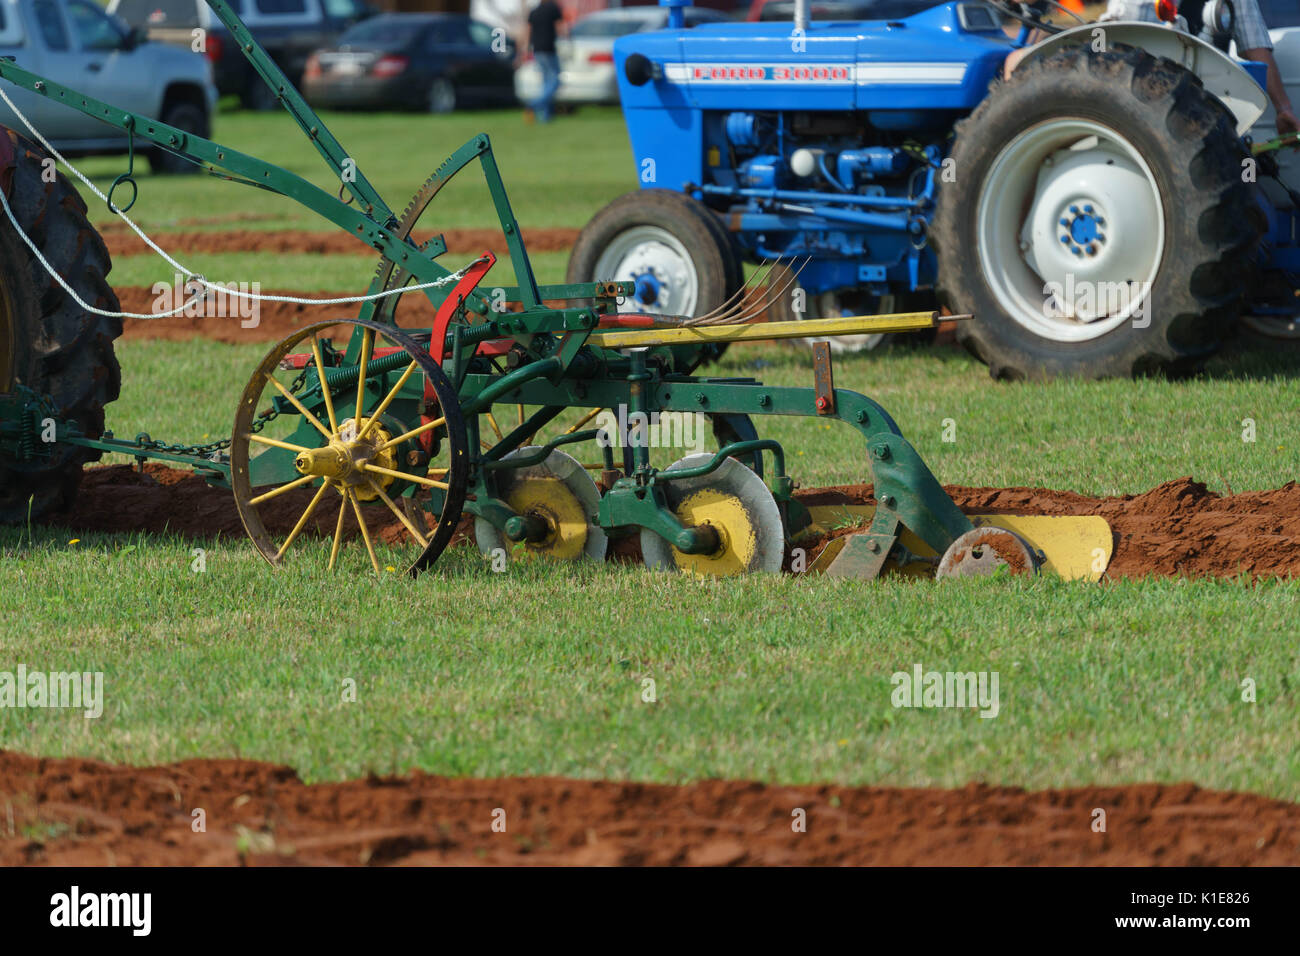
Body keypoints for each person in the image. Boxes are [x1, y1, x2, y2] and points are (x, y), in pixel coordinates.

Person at [1100, 0, 1298, 139]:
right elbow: (1113, 47)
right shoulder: (1137, 5)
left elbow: (1256, 48)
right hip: (1136, 108)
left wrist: (1284, 109)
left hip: (1203, 113)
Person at [527, 0, 564, 123]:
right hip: (549, 49)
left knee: (546, 84)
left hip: (537, 50)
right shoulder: (553, 8)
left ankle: (546, 116)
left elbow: (528, 31)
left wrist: (527, 49)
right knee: (555, 81)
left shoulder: (534, 11)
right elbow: (560, 27)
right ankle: (534, 104)